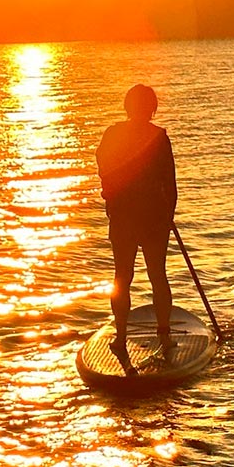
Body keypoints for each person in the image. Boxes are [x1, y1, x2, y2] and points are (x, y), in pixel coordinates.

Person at [96, 84, 177, 356]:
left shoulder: (113, 134)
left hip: (125, 217)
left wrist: (112, 199)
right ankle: (163, 336)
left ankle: (121, 337)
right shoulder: (158, 137)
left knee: (123, 277)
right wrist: (168, 215)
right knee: (157, 276)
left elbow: (103, 169)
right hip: (151, 217)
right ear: (151, 108)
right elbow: (170, 182)